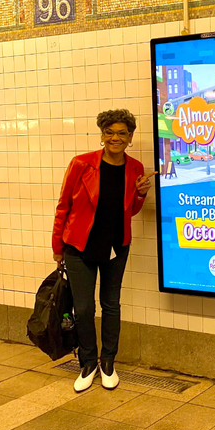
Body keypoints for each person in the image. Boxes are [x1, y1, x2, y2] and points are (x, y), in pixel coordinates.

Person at [52, 109, 157, 392]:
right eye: (110, 132)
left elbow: (131, 211)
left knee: (111, 305)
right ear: (102, 135)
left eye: (122, 133)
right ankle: (87, 362)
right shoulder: (81, 164)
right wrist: (57, 247)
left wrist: (140, 193)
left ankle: (108, 362)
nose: (115, 138)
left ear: (130, 137)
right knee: (84, 308)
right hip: (78, 245)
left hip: (116, 246)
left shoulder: (134, 167)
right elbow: (64, 206)